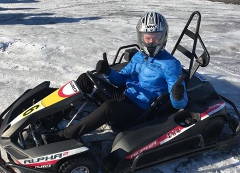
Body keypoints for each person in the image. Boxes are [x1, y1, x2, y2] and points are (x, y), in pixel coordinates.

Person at [54, 12, 188, 141]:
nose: (150, 42)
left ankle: (62, 136)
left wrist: (177, 95)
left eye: (155, 37)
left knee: (109, 107)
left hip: (140, 110)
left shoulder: (171, 65)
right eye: (147, 38)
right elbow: (121, 79)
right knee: (86, 78)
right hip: (125, 95)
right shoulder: (139, 56)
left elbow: (180, 103)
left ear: (163, 37)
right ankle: (52, 118)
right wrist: (107, 72)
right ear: (141, 37)